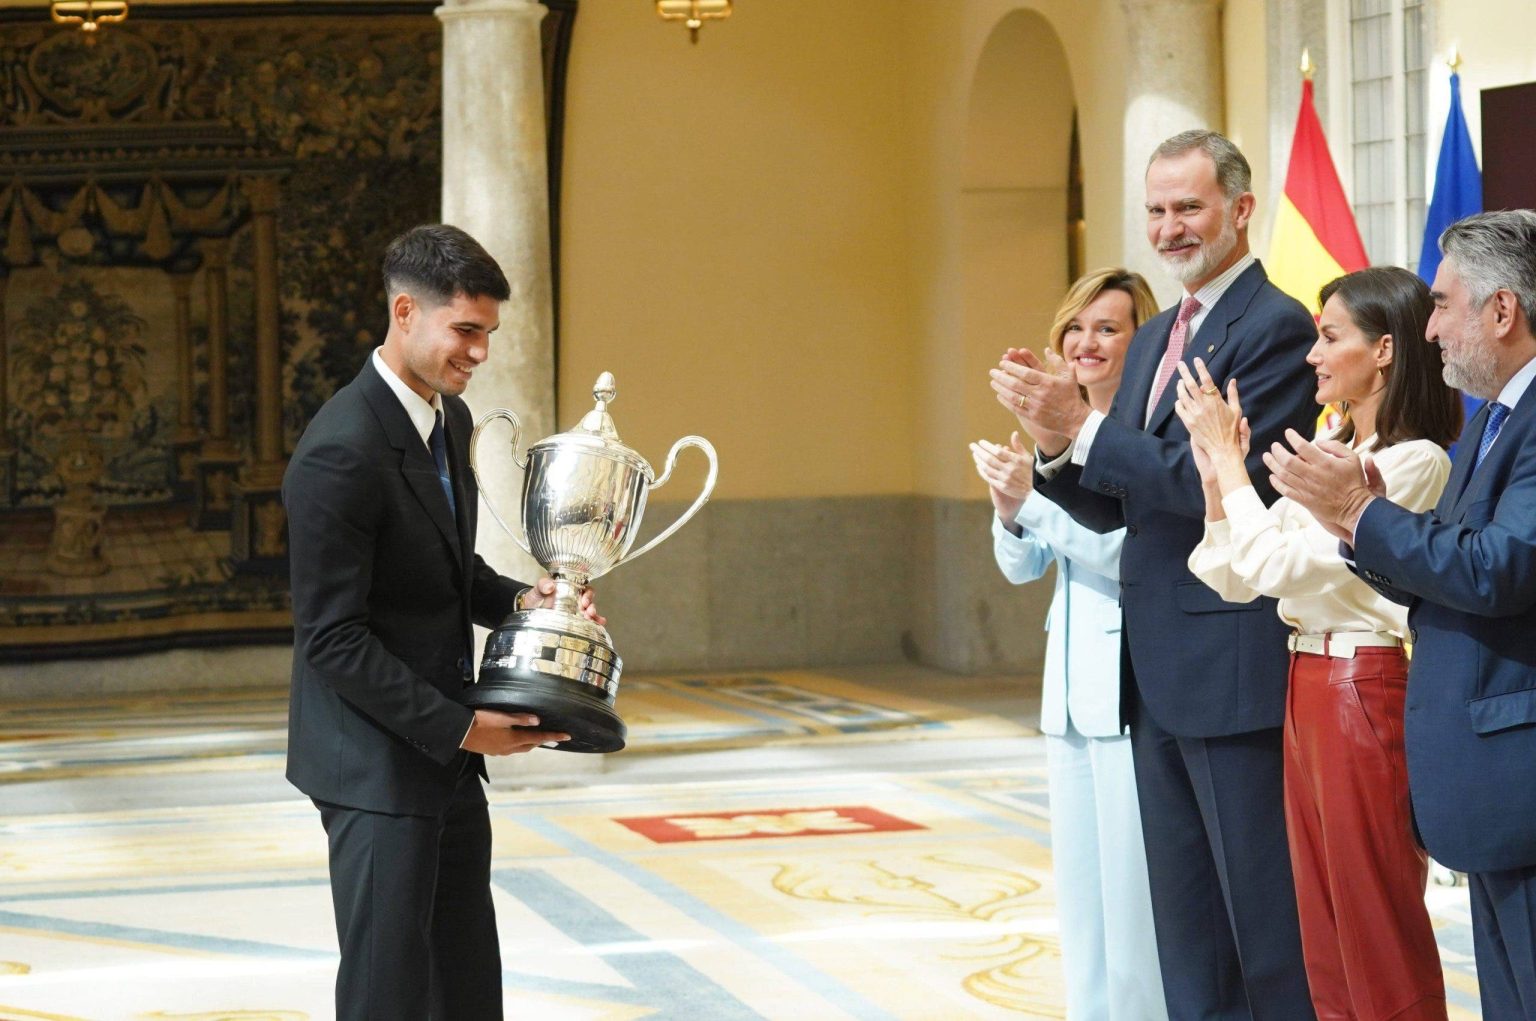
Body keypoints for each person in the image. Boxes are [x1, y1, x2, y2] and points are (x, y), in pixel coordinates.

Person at [989, 129, 1319, 1017]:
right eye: (1157, 210)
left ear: (1240, 210)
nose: (1170, 228)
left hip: (1230, 665)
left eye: (1189, 207)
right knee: (1187, 932)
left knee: (1262, 928)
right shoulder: (1158, 337)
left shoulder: (1277, 326)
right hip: (1153, 673)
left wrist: (1087, 429)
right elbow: (1125, 505)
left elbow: (1224, 487)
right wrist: (1055, 443)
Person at [283, 223, 600, 1019]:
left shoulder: (447, 420)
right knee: (387, 994)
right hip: (374, 768)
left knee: (463, 983)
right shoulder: (340, 450)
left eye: (489, 334)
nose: (480, 353)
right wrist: (464, 727)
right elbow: (332, 639)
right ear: (404, 312)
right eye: (466, 330)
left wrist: (526, 603)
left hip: (448, 762)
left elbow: (451, 574)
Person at [1264, 210, 1536, 1019]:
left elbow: (1502, 570)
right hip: (1486, 770)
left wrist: (1361, 512)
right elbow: (1455, 563)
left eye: (1444, 305)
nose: (1431, 327)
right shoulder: (1496, 421)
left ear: (1501, 311)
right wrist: (1366, 521)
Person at [1177, 266, 1460, 1021]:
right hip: (1308, 679)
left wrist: (1236, 468)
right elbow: (1237, 575)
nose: (1313, 355)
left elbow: (1272, 563)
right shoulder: (1333, 443)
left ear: (1386, 350)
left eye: (1331, 336)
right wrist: (1217, 479)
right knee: (1322, 933)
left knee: (1374, 925)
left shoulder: (1412, 460)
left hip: (1363, 683)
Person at [971, 268, 1167, 1021]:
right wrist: (1008, 507)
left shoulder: (1140, 440)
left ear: (1140, 338)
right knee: (1082, 905)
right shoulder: (1056, 433)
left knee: (1134, 909)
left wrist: (1036, 505)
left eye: (1108, 328)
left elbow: (1130, 556)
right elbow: (1021, 566)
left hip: (1130, 692)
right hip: (1069, 698)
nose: (1086, 342)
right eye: (1076, 328)